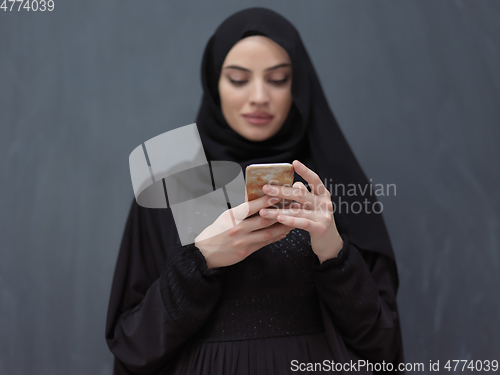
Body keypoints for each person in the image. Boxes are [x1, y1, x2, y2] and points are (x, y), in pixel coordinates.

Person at [105, 7, 405, 375]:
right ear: (214, 82)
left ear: (299, 85)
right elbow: (133, 344)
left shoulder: (326, 183)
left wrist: (333, 253)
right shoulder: (173, 178)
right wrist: (202, 261)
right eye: (238, 79)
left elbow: (383, 345)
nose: (259, 96)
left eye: (278, 79)